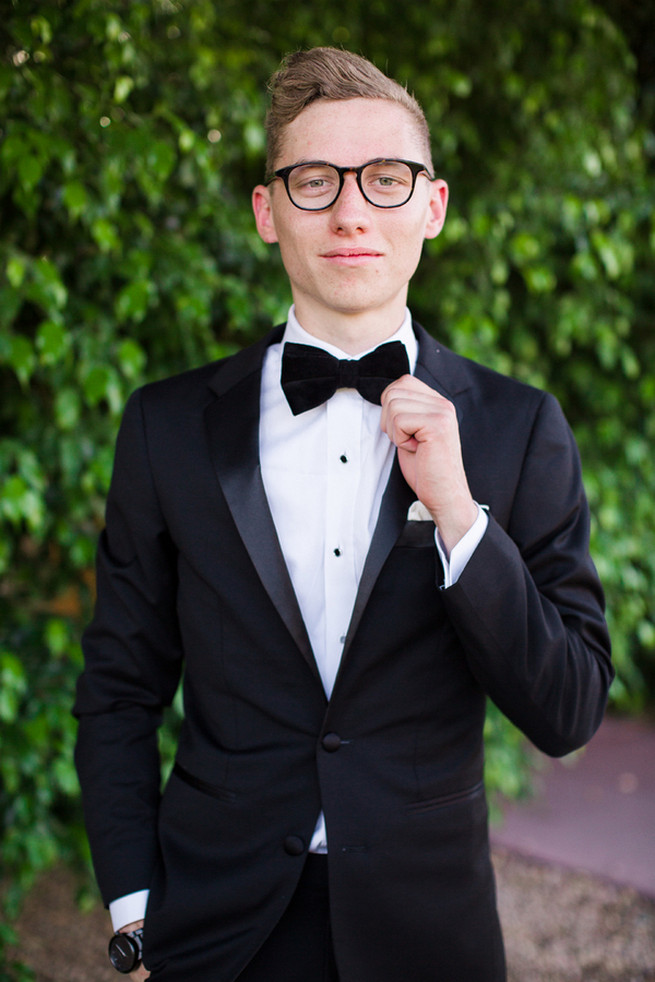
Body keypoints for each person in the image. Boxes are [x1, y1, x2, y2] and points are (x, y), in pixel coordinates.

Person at [74, 46, 613, 982]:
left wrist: (456, 513)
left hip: (427, 934)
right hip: (215, 931)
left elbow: (566, 708)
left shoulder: (520, 428)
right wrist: (133, 914)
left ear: (432, 206)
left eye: (386, 179)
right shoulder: (166, 426)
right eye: (314, 180)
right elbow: (120, 689)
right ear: (266, 211)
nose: (352, 210)